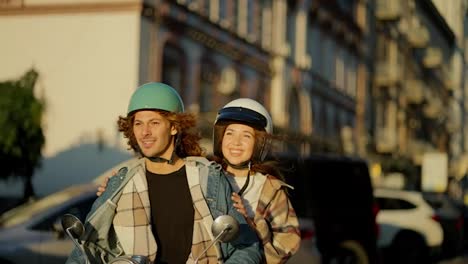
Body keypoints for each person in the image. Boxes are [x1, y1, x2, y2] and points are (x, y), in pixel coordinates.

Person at [67, 82, 262, 264]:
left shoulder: (208, 178)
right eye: (138, 123)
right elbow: (84, 250)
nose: (145, 132)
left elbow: (248, 246)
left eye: (154, 123)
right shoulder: (121, 182)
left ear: (174, 127)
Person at [211, 98, 301, 263]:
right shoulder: (204, 175)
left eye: (246, 136)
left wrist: (252, 224)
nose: (236, 143)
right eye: (229, 133)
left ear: (260, 144)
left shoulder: (271, 189)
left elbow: (287, 244)